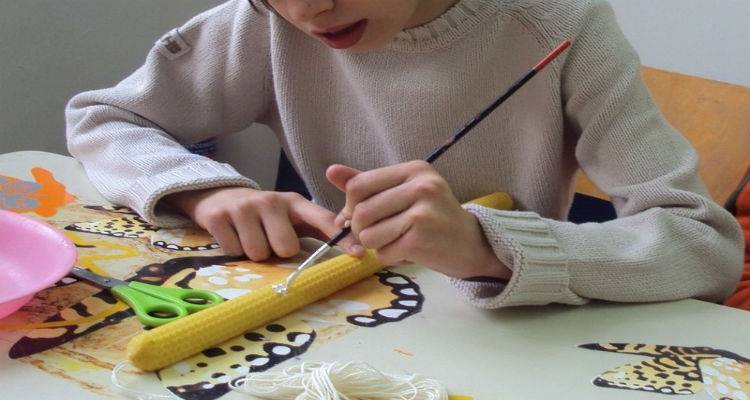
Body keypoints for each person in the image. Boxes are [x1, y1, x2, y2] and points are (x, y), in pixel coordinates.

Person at [65, 0, 743, 308]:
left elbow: (705, 246)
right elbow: (102, 117)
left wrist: (489, 247)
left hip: (503, 338)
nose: (313, 10)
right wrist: (203, 189)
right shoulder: (262, 21)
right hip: (337, 314)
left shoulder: (559, 26)